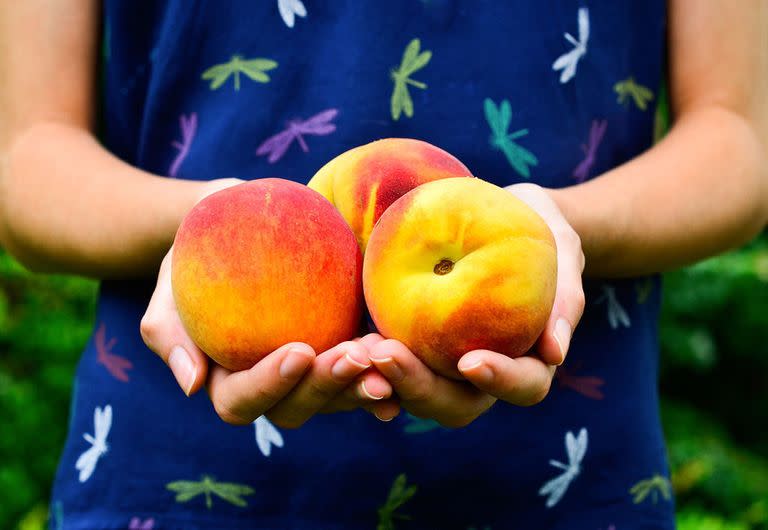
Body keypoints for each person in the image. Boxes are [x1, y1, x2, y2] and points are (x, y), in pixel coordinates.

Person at [1, 2, 766, 529]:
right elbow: (23, 160)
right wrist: (211, 222)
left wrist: (560, 226)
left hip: (564, 475)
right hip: (173, 474)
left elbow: (740, 141)